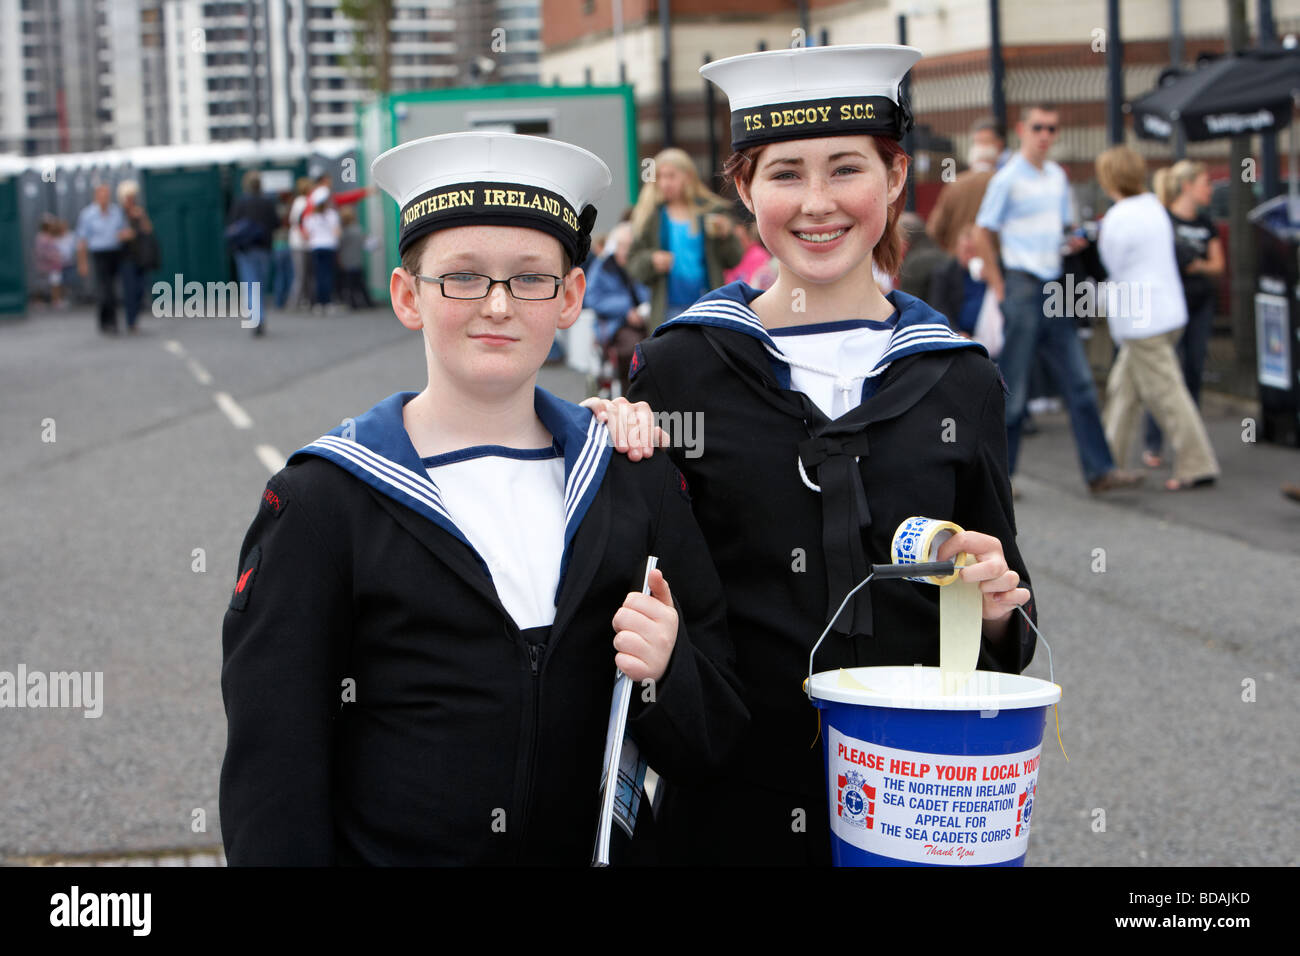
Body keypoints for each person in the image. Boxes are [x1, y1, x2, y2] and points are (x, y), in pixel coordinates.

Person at [219, 131, 747, 865]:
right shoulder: (324, 502)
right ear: (408, 296)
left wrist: (668, 669)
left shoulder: (629, 477)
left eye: (530, 278)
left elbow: (714, 739)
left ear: (569, 299)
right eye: (462, 277)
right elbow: (274, 779)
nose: (497, 304)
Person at [592, 44, 1037, 866]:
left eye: (845, 169)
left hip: (921, 799)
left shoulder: (959, 376)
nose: (817, 203)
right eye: (785, 174)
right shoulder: (681, 365)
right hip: (732, 805)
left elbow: (1003, 605)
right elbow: (637, 571)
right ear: (743, 189)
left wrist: (1001, 607)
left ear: (895, 176)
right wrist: (588, 447)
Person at [974, 103, 1143, 494]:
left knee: (1080, 383)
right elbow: (983, 230)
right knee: (1012, 388)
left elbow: (1062, 228)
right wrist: (1000, 286)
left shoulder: (1057, 177)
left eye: (1052, 128)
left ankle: (1100, 471)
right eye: (1038, 127)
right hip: (1022, 283)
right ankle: (1001, 479)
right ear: (1022, 129)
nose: (1046, 135)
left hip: (1054, 284)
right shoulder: (1007, 178)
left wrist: (1074, 238)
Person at [1094, 147, 1219, 491]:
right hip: (1165, 313)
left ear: (1109, 178)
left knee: (1167, 393)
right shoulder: (1153, 208)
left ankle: (1198, 463)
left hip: (1141, 321)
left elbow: (1112, 267)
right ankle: (1105, 462)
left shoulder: (1119, 217)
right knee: (1124, 390)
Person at [1141, 160, 1224, 468]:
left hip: (1200, 305)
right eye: (1206, 183)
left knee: (1192, 370)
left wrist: (1198, 265)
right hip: (1169, 308)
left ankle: (1189, 444)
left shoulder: (1206, 223)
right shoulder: (1163, 219)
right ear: (1187, 185)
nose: (1210, 189)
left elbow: (1217, 265)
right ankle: (1154, 442)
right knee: (1164, 375)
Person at [626, 148, 743, 330]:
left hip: (708, 305)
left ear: (688, 176)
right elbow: (632, 263)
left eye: (671, 176)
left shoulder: (710, 213)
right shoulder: (650, 217)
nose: (665, 183)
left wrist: (726, 235)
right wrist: (651, 261)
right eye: (661, 177)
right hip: (668, 309)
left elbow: (734, 258)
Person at [585, 221, 651, 394]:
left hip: (643, 321)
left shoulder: (638, 265)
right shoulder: (603, 266)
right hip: (615, 324)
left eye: (630, 246)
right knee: (634, 349)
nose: (626, 251)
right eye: (622, 246)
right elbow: (592, 298)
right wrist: (625, 310)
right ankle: (630, 393)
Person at [926, 117, 1004, 255]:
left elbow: (934, 230)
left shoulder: (955, 185)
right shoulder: (1004, 183)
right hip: (995, 263)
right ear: (998, 146)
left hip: (958, 262)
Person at [227, 170, 279, 335]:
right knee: (260, 285)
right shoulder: (267, 203)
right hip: (264, 249)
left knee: (250, 285)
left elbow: (232, 226)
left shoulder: (240, 203)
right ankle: (259, 317)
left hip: (245, 250)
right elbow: (276, 223)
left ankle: (255, 317)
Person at [75, 183, 131, 335]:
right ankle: (110, 321)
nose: (104, 198)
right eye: (102, 195)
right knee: (106, 288)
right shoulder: (87, 214)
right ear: (96, 196)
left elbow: (124, 230)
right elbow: (82, 241)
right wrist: (83, 263)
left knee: (111, 287)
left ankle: (106, 320)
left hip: (115, 252)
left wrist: (125, 235)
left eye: (107, 195)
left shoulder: (116, 212)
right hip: (99, 254)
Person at [117, 181, 158, 334]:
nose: (131, 200)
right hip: (126, 257)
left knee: (141, 288)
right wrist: (127, 234)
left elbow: (148, 230)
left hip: (140, 257)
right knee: (130, 289)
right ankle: (131, 321)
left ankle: (135, 316)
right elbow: (116, 234)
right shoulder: (118, 213)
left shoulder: (139, 212)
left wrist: (141, 217)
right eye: (128, 197)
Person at [302, 186, 341, 312]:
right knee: (328, 275)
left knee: (318, 275)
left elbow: (307, 234)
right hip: (329, 247)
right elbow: (337, 233)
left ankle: (319, 303)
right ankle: (328, 302)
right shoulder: (332, 215)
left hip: (316, 247)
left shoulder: (310, 217)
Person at [336, 206, 375, 309]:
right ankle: (367, 302)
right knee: (360, 283)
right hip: (357, 259)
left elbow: (339, 244)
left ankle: (352, 303)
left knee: (349, 284)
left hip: (346, 261)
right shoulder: (358, 230)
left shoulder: (343, 232)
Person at [723, 220, 777, 289]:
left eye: (740, 239)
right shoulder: (731, 259)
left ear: (748, 236)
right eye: (734, 240)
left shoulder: (758, 254)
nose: (738, 243)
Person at [286, 177, 313, 310]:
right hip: (300, 243)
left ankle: (304, 301)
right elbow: (297, 221)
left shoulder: (300, 201)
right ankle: (294, 302)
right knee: (301, 274)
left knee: (305, 274)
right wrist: (305, 234)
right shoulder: (302, 202)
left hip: (302, 243)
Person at [34, 217, 65, 308]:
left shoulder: (51, 236)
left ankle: (56, 300)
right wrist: (53, 256)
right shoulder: (41, 237)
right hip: (45, 265)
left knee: (56, 283)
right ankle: (38, 301)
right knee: (41, 284)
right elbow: (41, 252)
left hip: (54, 265)